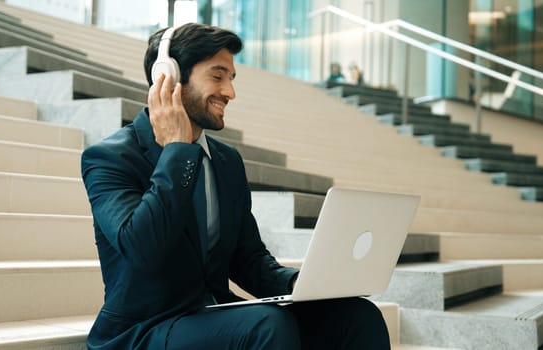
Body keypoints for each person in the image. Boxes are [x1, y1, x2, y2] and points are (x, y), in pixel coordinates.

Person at [80, 23, 390, 349]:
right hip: (146, 328)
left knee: (357, 315)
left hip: (214, 316)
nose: (230, 92)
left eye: (231, 78)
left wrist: (300, 283)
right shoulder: (110, 157)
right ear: (167, 76)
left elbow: (247, 258)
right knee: (267, 324)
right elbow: (144, 249)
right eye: (217, 76)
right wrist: (176, 151)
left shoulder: (226, 161)